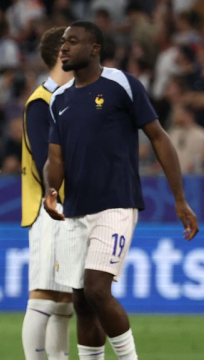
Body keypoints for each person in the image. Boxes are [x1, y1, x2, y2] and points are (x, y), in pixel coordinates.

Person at [43, 21, 200, 360]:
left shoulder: (121, 84)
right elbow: (54, 157)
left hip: (115, 204)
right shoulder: (58, 99)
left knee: (99, 289)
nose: (64, 48)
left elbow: (159, 137)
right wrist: (50, 189)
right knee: (82, 300)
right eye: (62, 43)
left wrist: (180, 199)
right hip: (75, 210)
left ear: (95, 48)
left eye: (73, 41)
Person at [21, 26, 75, 360]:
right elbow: (46, 163)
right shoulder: (42, 102)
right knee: (43, 295)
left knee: (66, 300)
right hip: (51, 208)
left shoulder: (69, 99)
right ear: (62, 54)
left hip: (73, 209)